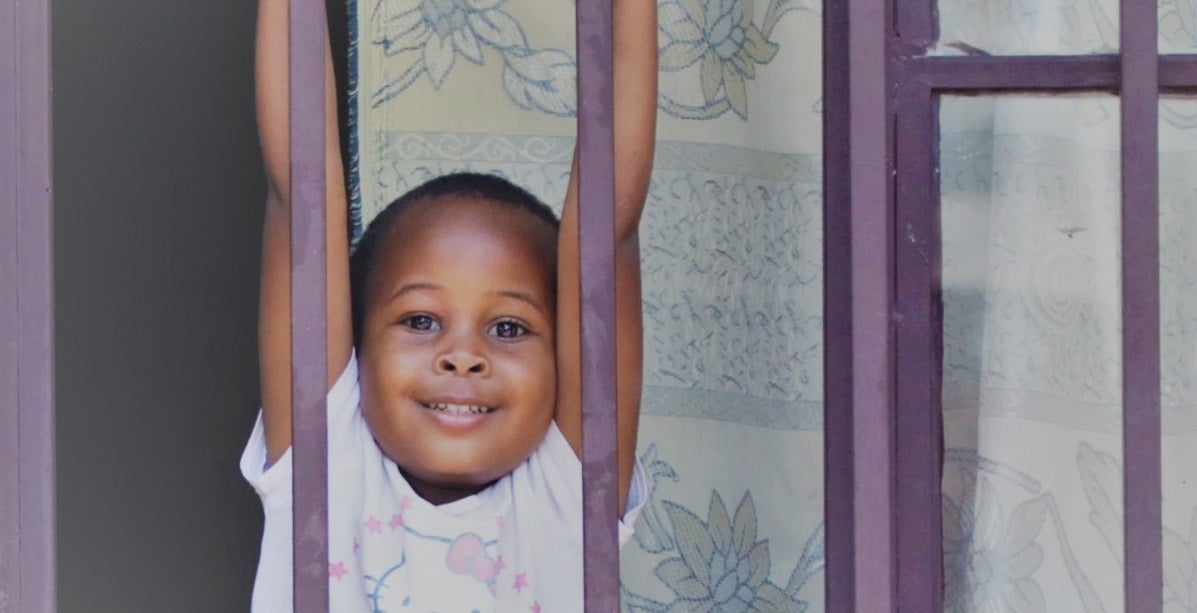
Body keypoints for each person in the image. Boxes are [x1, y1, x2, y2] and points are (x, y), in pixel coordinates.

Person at [240, 0, 657, 609]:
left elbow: (610, 229)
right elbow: (298, 191)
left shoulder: (568, 496)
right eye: (420, 320)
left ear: (566, 359)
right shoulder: (327, 465)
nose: (463, 356)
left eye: (509, 327)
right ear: (354, 350)